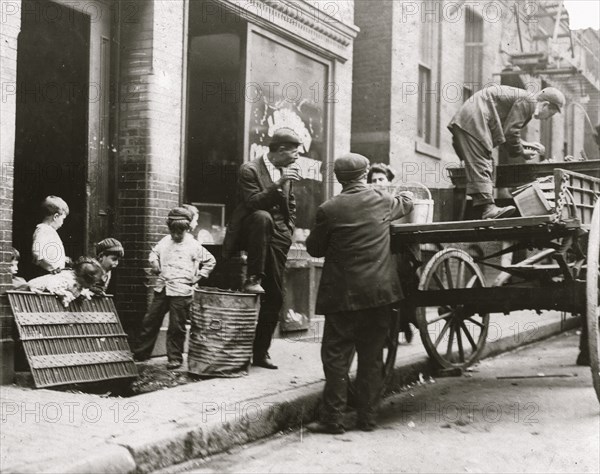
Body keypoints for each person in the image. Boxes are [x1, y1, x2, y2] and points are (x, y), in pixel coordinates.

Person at [305, 153, 414, 434]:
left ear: (339, 178)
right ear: (366, 175)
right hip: (379, 295)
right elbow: (406, 203)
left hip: (342, 296)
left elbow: (315, 249)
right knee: (371, 357)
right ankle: (367, 418)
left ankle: (333, 419)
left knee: (336, 358)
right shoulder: (384, 201)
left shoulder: (328, 209)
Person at [223, 128, 302, 370]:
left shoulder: (286, 172)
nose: (297, 157)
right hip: (252, 231)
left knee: (275, 296)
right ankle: (253, 275)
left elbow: (290, 204)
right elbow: (253, 202)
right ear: (279, 150)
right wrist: (278, 183)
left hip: (277, 237)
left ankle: (260, 352)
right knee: (261, 216)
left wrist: (289, 229)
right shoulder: (250, 169)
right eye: (294, 152)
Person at [449, 85, 565, 219]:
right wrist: (521, 151)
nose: (547, 119)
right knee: (481, 162)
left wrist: (525, 144)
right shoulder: (529, 102)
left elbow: (506, 131)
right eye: (551, 114)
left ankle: (468, 211)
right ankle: (488, 209)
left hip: (472, 119)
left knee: (481, 165)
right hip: (475, 120)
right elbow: (510, 132)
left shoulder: (526, 100)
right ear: (545, 105)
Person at [134, 207, 216, 370]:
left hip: (182, 291)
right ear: (169, 228)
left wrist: (198, 276)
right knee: (150, 320)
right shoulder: (164, 241)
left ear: (187, 229)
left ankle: (174, 357)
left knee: (176, 326)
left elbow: (210, 261)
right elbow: (153, 254)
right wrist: (155, 264)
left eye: (181, 231)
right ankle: (141, 353)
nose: (177, 235)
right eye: (173, 231)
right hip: (163, 287)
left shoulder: (194, 245)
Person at [366, 164, 418, 344]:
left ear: (388, 182)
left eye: (381, 179)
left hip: (399, 252)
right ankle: (389, 329)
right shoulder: (369, 202)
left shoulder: (395, 199)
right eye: (373, 181)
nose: (377, 183)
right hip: (379, 253)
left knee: (402, 279)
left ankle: (404, 322)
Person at [28, 257, 105, 308]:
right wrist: (67, 295)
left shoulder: (79, 282)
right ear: (84, 279)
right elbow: (52, 287)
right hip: (31, 292)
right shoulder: (66, 278)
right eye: (92, 283)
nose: (93, 285)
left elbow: (80, 290)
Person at [31, 195, 70, 276]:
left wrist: (62, 258)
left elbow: (50, 251)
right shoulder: (43, 230)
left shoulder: (49, 231)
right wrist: (52, 268)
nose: (62, 223)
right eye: (63, 219)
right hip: (47, 274)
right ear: (55, 217)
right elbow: (37, 253)